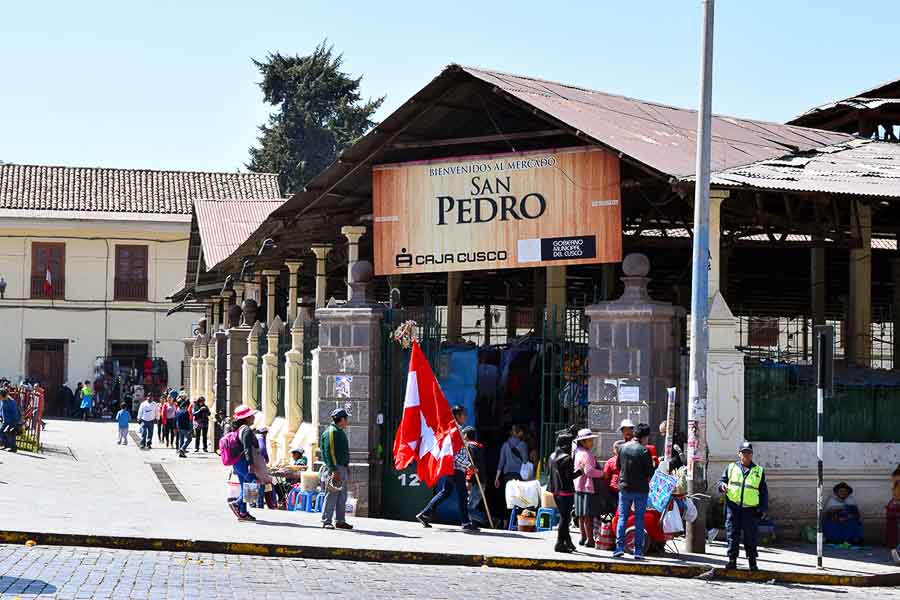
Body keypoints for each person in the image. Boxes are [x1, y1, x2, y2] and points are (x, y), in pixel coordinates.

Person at [416, 405, 478, 531]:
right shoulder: (457, 431)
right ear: (458, 416)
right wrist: (468, 465)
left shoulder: (455, 430)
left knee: (446, 492)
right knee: (462, 494)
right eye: (463, 414)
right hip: (456, 469)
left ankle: (425, 513)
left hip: (453, 468)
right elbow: (455, 454)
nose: (465, 417)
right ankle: (466, 523)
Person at [718, 441, 768, 571]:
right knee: (732, 534)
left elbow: (763, 492)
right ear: (739, 454)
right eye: (744, 452)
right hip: (733, 507)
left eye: (749, 453)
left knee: (750, 536)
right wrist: (722, 485)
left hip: (750, 510)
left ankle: (752, 562)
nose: (746, 455)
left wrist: (763, 509)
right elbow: (722, 481)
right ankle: (732, 560)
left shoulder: (758, 471)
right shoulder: (731, 467)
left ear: (752, 455)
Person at [614, 422, 654, 560]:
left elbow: (618, 466)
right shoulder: (644, 451)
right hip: (641, 489)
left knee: (622, 517)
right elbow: (650, 471)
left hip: (624, 488)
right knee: (639, 519)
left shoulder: (622, 448)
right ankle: (638, 550)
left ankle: (619, 547)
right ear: (644, 437)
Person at [548, 431, 582, 553]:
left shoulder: (552, 456)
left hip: (555, 491)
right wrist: (580, 471)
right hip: (565, 492)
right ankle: (559, 543)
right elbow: (569, 477)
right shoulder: (567, 458)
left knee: (564, 517)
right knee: (565, 518)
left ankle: (568, 542)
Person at [320, 408, 353, 530]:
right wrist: (334, 470)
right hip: (335, 468)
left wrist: (346, 466)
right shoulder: (332, 432)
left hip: (341, 467)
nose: (347, 421)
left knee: (342, 496)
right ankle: (326, 520)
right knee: (332, 495)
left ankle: (340, 520)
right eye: (346, 418)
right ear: (342, 419)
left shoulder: (339, 431)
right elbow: (329, 452)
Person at [573, 428, 606, 547]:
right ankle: (590, 540)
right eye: (590, 440)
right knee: (588, 516)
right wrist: (602, 473)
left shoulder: (577, 452)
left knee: (581, 515)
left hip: (578, 487)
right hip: (587, 487)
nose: (592, 443)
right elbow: (589, 471)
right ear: (583, 442)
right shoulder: (587, 454)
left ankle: (583, 537)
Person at [228, 404, 259, 521]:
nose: (253, 417)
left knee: (244, 486)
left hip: (238, 462)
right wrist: (251, 464)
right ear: (246, 418)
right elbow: (247, 448)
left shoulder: (238, 429)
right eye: (251, 416)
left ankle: (243, 512)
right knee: (252, 482)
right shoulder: (246, 429)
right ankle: (237, 503)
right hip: (243, 463)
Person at [823, 481, 864, 546]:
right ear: (837, 492)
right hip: (834, 521)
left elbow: (856, 514)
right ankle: (834, 540)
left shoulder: (851, 500)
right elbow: (826, 514)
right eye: (841, 491)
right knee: (831, 524)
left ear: (848, 493)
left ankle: (852, 540)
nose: (843, 493)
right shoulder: (831, 500)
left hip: (848, 520)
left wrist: (848, 517)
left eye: (845, 491)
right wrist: (838, 517)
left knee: (854, 523)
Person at [462, 426, 487, 527]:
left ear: (466, 435)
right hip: (482, 481)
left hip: (476, 482)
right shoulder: (479, 447)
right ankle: (473, 523)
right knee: (472, 505)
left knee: (467, 507)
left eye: (463, 434)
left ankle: (485, 519)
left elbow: (472, 465)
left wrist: (468, 480)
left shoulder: (470, 447)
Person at [495, 424, 527, 489]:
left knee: (509, 497)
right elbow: (525, 461)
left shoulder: (505, 445)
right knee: (519, 497)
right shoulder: (523, 444)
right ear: (519, 433)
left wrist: (497, 478)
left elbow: (501, 462)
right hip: (519, 474)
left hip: (508, 474)